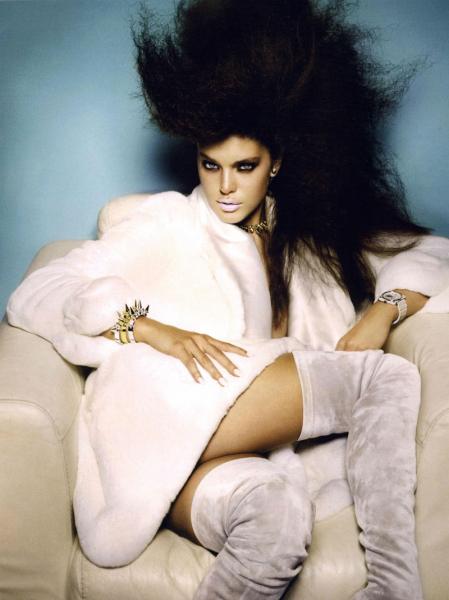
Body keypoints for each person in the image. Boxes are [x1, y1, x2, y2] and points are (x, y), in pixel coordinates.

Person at [6, 0, 449, 598]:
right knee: (382, 379)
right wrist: (147, 328)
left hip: (230, 449)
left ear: (277, 163)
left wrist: (383, 309)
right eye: (210, 164)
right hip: (160, 416)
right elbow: (37, 292)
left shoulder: (309, 237)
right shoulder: (166, 222)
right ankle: (397, 590)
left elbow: (431, 252)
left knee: (276, 521)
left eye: (245, 166)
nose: (225, 187)